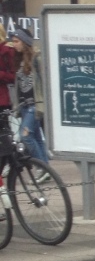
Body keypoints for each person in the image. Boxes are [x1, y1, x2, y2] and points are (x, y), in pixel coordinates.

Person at [9, 28, 49, 161]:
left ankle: (40, 165)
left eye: (17, 41)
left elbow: (45, 80)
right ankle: (45, 168)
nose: (14, 44)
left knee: (26, 136)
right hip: (24, 105)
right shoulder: (19, 59)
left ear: (25, 42)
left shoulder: (37, 58)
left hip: (34, 104)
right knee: (36, 137)